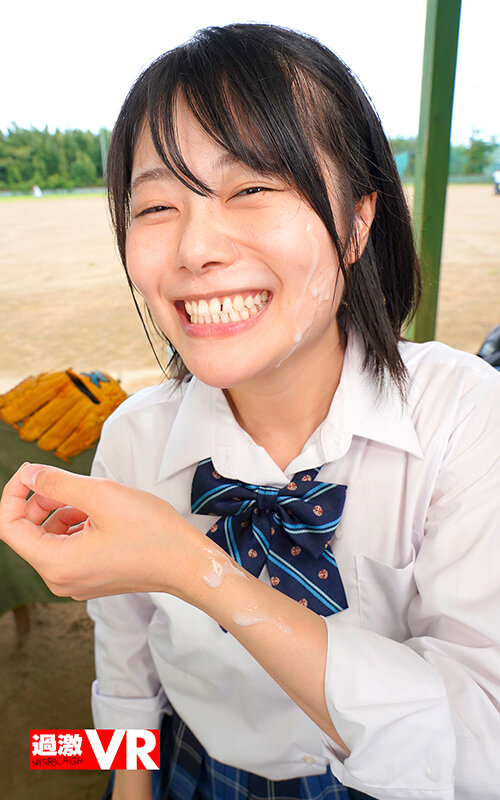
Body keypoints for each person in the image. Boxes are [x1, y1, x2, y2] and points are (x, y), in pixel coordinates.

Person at [0, 23, 499, 800]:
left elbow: (478, 753)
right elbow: (126, 668)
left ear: (358, 221)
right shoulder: (133, 440)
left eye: (252, 189)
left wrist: (188, 564)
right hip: (196, 768)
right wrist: (129, 789)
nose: (195, 249)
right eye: (155, 205)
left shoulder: (463, 417)